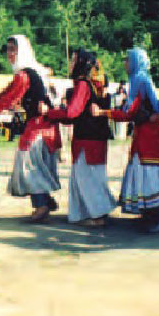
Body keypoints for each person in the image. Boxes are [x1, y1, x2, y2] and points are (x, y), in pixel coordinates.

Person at [95, 48, 159, 232]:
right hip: (148, 134)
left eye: (128, 60)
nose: (125, 63)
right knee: (147, 174)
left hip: (149, 137)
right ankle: (151, 215)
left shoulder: (138, 80)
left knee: (150, 175)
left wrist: (103, 112)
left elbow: (129, 112)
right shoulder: (142, 79)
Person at [0, 35, 62, 223]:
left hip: (40, 126)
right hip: (44, 125)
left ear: (21, 51)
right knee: (35, 165)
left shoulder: (24, 75)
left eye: (13, 49)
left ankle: (41, 205)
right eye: (7, 49)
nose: (9, 53)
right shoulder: (31, 71)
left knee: (28, 164)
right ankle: (46, 201)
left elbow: (9, 100)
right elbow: (5, 94)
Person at [47, 49, 116, 227]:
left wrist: (50, 113)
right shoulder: (94, 85)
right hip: (96, 138)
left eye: (74, 60)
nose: (70, 64)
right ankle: (95, 212)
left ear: (81, 63)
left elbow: (72, 112)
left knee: (86, 178)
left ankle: (97, 215)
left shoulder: (83, 85)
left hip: (87, 138)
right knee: (92, 177)